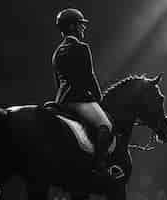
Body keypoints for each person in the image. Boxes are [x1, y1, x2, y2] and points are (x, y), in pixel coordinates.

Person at [52, 8, 113, 178]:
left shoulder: (57, 52)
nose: (83, 28)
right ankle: (99, 166)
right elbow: (89, 77)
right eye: (81, 25)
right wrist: (99, 98)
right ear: (72, 27)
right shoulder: (82, 47)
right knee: (105, 126)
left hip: (61, 101)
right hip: (79, 100)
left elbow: (58, 81)